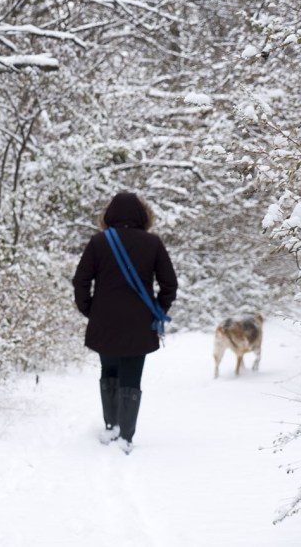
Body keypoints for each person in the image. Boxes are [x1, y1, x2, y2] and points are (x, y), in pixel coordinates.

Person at [72, 192, 178, 454]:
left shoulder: (98, 242)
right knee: (132, 375)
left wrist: (90, 310)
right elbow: (169, 284)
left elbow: (81, 281)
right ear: (143, 215)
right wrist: (157, 310)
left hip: (104, 321)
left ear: (109, 215)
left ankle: (111, 427)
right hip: (140, 323)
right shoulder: (152, 243)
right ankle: (126, 437)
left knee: (108, 372)